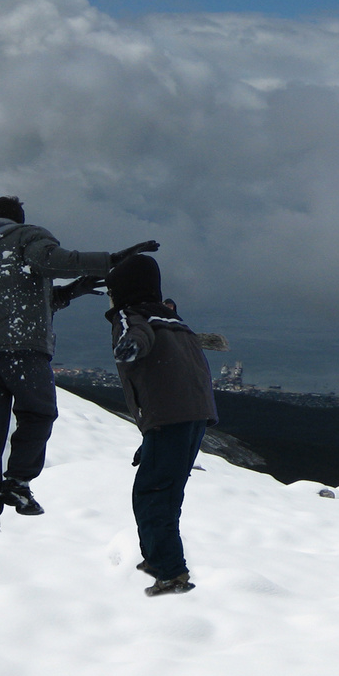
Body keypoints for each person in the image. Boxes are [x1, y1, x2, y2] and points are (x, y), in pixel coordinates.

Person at [0, 195, 157, 537]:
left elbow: (13, 299)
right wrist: (111, 261)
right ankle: (17, 480)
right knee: (39, 412)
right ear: (17, 219)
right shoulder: (24, 236)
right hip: (22, 347)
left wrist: (71, 292)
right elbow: (53, 261)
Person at [104, 253, 217, 597]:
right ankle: (157, 558)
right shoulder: (172, 318)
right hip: (193, 414)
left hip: (171, 418)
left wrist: (130, 346)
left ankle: (170, 572)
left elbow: (137, 334)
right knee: (166, 493)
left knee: (152, 495)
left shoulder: (130, 315)